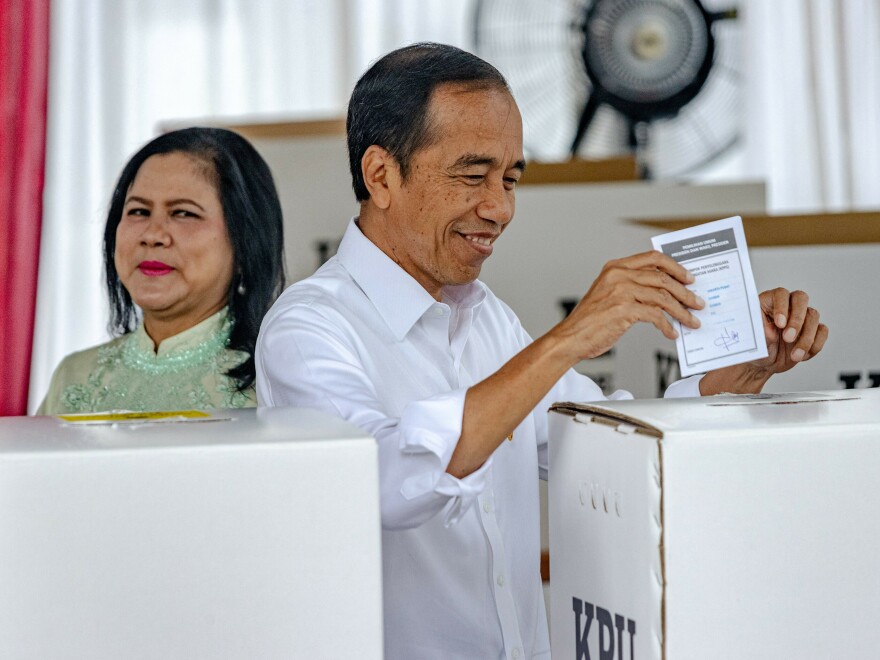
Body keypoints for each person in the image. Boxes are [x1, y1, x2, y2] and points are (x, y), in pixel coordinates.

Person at [255, 43, 828, 660]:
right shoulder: (308, 329)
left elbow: (609, 448)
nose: (499, 208)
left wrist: (737, 376)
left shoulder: (487, 319)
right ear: (381, 175)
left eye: (510, 179)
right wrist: (569, 338)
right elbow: (385, 481)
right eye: (473, 176)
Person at [38, 127, 285, 414]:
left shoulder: (274, 380)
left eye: (183, 213)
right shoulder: (73, 377)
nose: (153, 235)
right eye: (139, 211)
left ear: (246, 242)